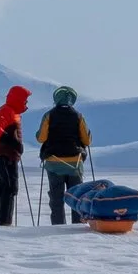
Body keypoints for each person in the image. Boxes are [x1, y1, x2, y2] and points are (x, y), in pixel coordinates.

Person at [36, 86, 92, 224]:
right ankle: (77, 225)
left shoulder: (49, 115)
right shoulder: (78, 116)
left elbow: (41, 138)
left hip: (53, 162)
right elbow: (86, 140)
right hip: (75, 162)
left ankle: (58, 225)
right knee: (76, 197)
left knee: (56, 198)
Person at [0, 84, 31, 226]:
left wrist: (15, 145)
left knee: (4, 185)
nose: (26, 104)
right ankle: (4, 221)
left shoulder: (13, 113)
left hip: (9, 155)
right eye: (25, 100)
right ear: (18, 99)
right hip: (2, 155)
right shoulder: (6, 111)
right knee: (8, 186)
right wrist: (12, 142)